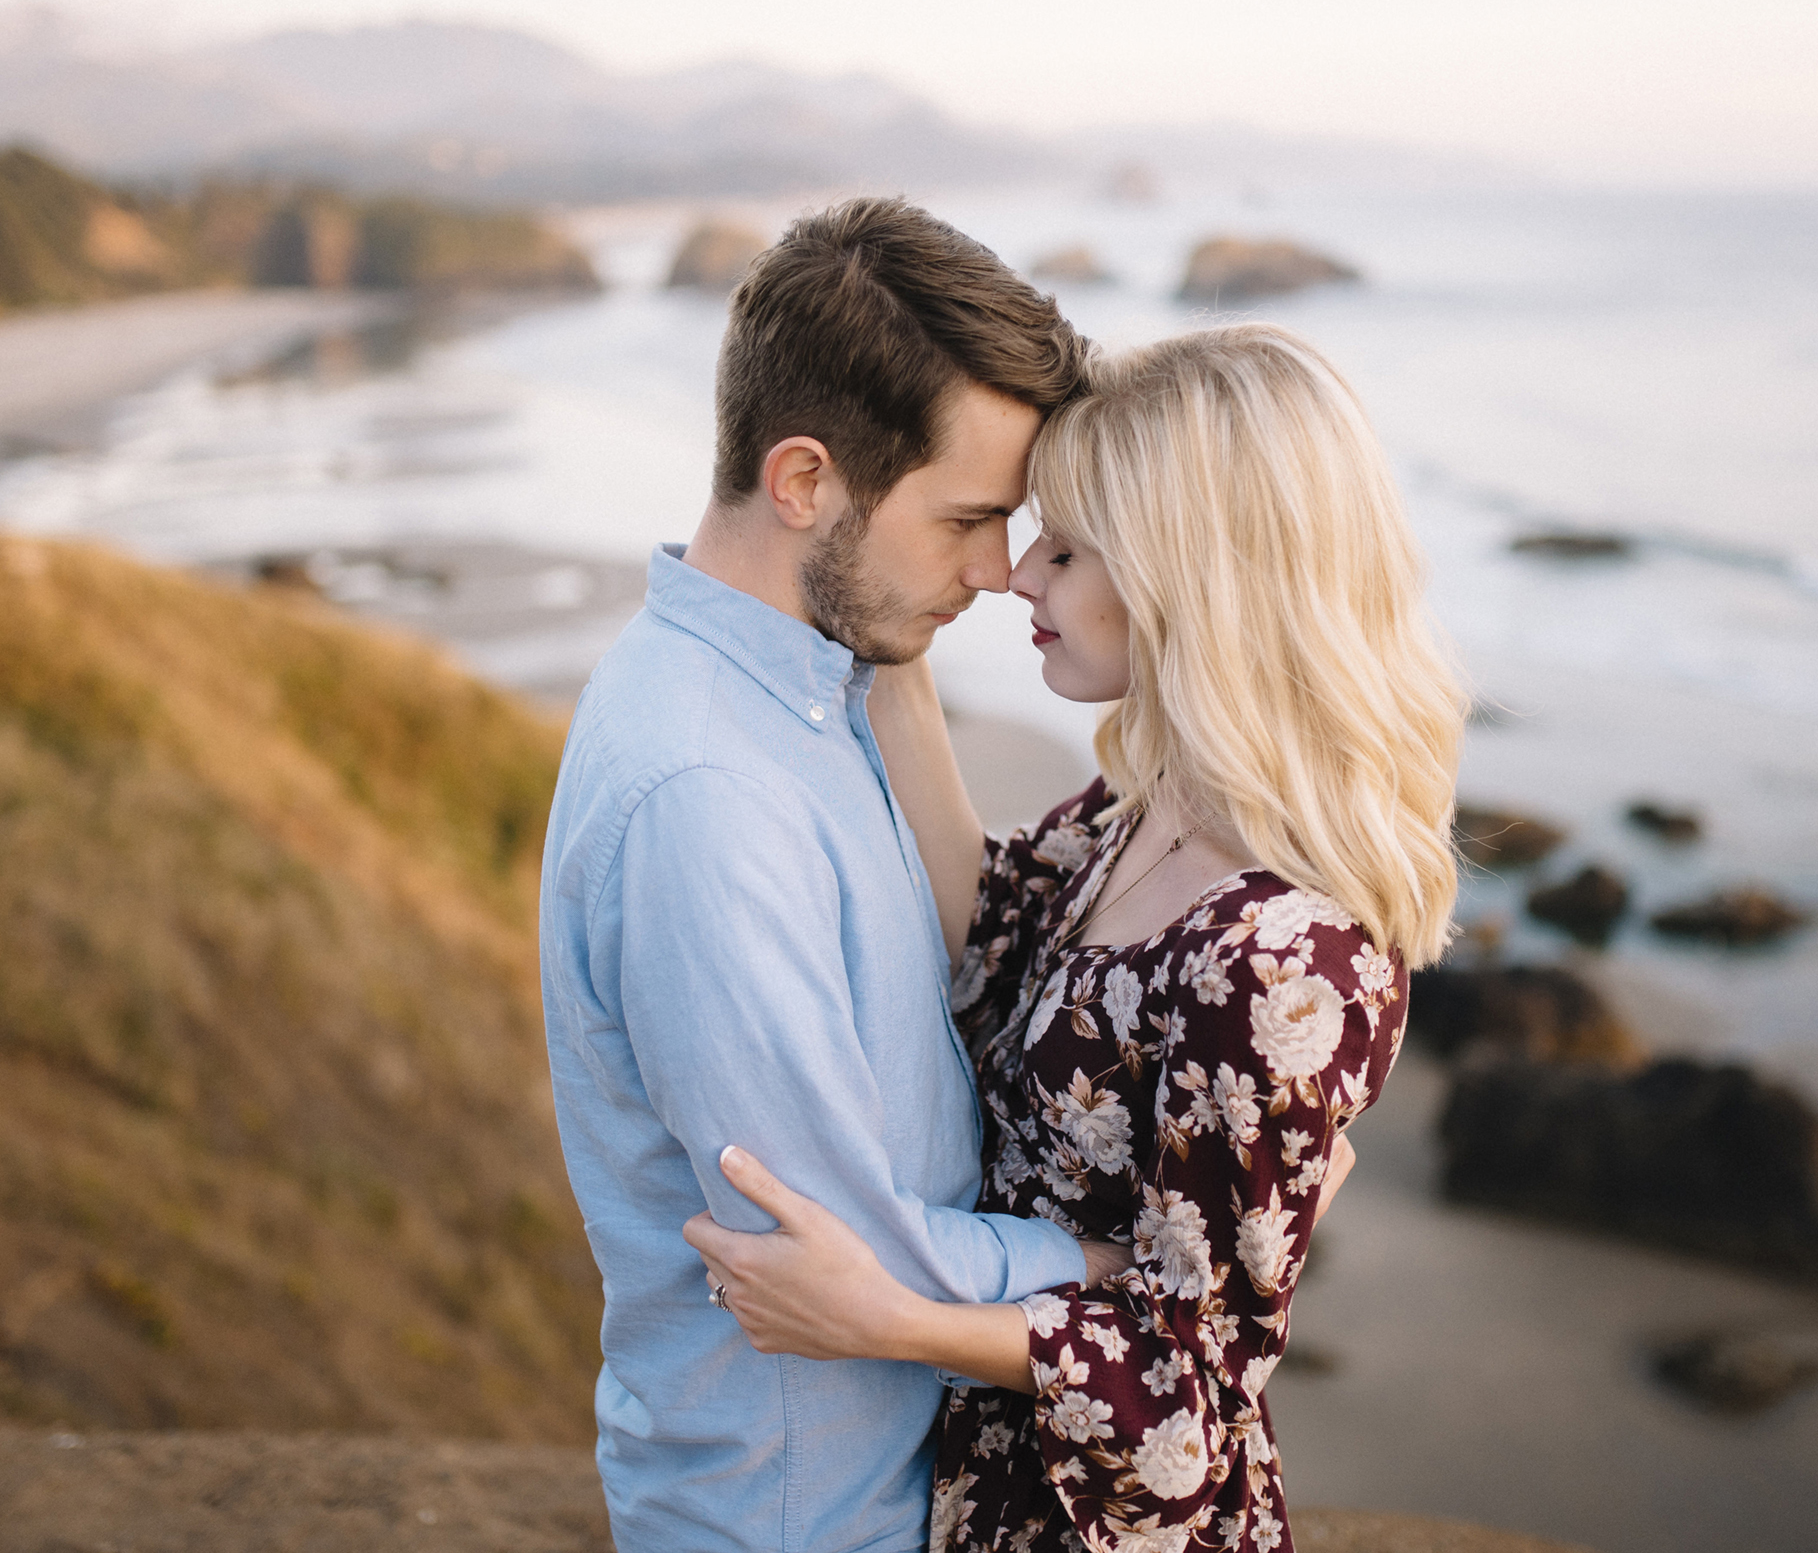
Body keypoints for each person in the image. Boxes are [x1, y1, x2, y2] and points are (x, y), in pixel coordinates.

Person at [687, 324, 1467, 1552]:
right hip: (973, 1487)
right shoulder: (1146, 806)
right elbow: (988, 935)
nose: (1018, 575)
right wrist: (892, 634)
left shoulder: (1280, 964)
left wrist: (881, 1314)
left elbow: (1187, 1398)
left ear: (1185, 574)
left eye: (1064, 545)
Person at [539, 197, 1131, 1553]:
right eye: (967, 519)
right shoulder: (711, 795)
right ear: (803, 481)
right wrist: (1122, 1264)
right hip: (799, 1514)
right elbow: (843, 1249)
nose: (996, 572)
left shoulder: (812, 692)